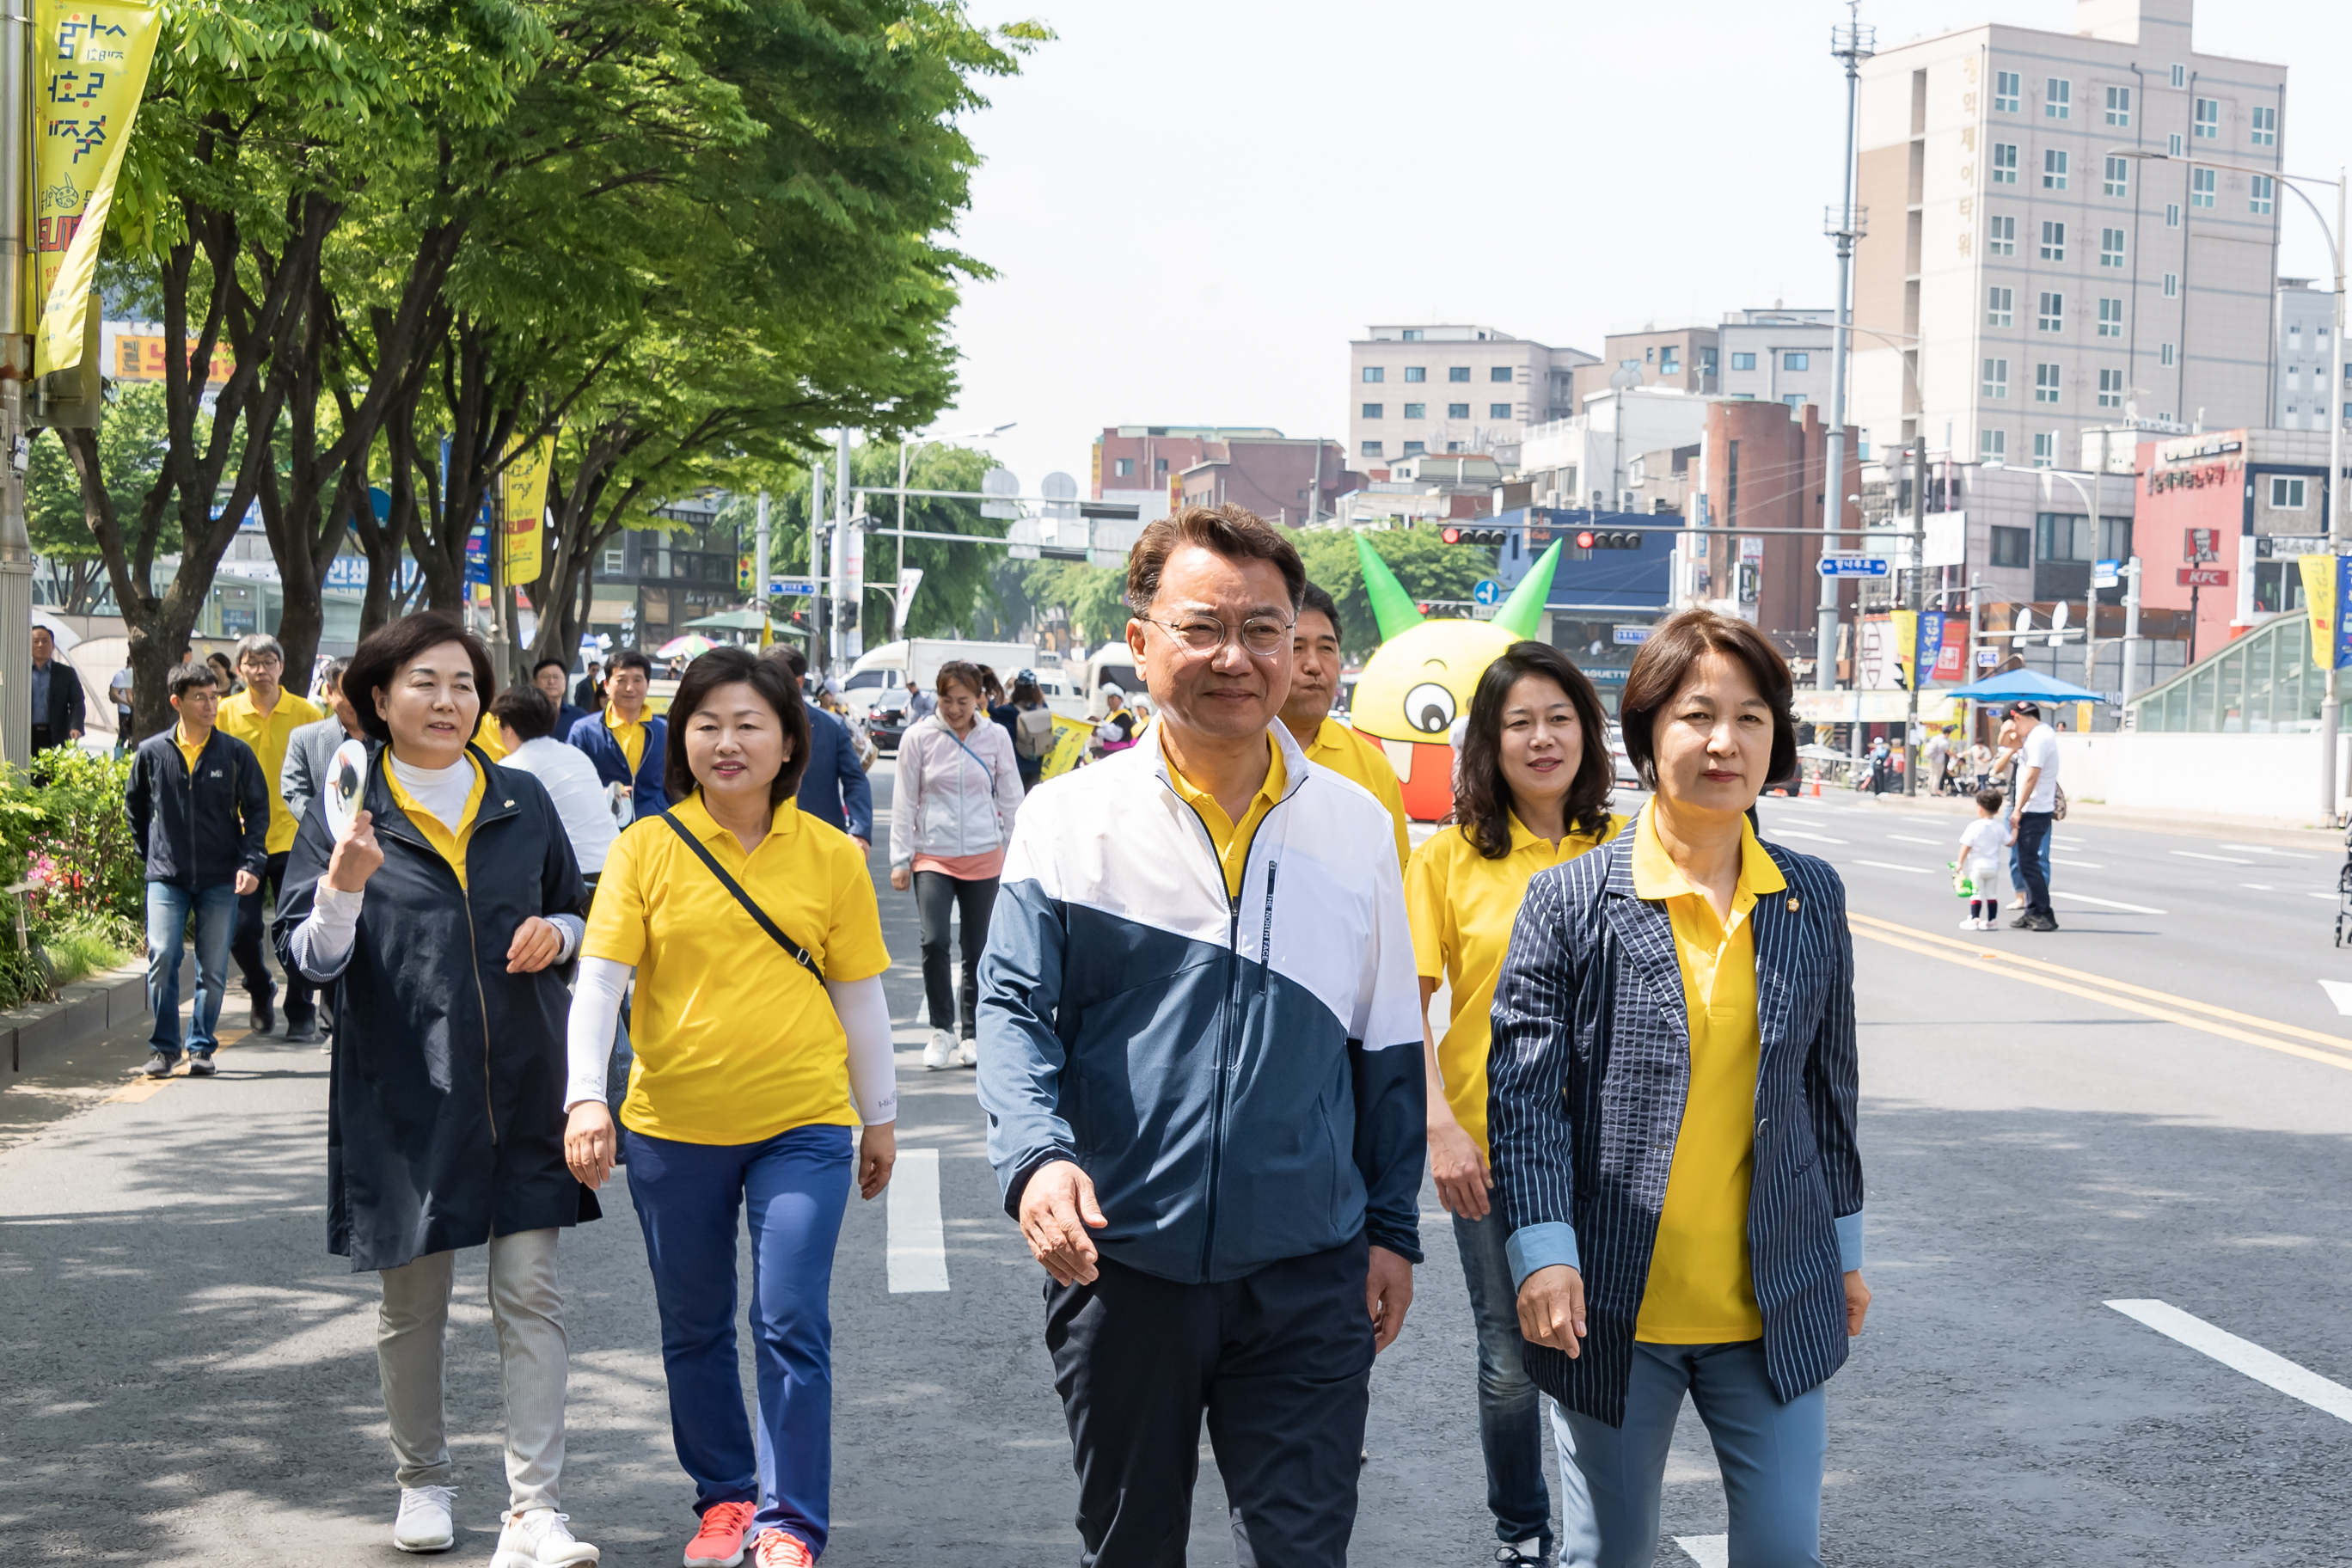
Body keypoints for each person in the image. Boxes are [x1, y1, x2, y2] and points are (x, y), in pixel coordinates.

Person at [977, 504, 1424, 1567]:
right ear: (1141, 644)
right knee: (1132, 1549)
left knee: (1303, 1550)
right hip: (1120, 1261)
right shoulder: (1069, 817)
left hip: (1309, 1269)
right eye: (1203, 628)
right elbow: (1011, 1008)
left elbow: (1389, 1038)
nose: (1238, 657)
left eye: (1265, 630)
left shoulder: (1355, 824)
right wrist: (1036, 1159)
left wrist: (1392, 1226)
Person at [1491, 608, 1868, 1568]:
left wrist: (1846, 1252)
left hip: (1773, 1299)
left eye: (1751, 718)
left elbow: (1830, 1097)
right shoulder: (1571, 901)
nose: (1724, 741)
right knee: (1607, 1558)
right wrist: (1541, 1254)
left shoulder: (1808, 896)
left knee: (1785, 1554)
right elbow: (1526, 1104)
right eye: (1698, 715)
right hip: (1613, 1309)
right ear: (1647, 732)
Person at [559, 646, 897, 1568]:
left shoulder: (831, 856)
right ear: (684, 741)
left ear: (792, 741)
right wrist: (586, 1098)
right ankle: (725, 1501)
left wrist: (881, 1115)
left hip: (803, 1122)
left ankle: (792, 1524)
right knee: (694, 1326)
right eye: (707, 725)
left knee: (789, 1318)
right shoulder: (646, 848)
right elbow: (599, 988)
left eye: (750, 723)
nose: (727, 742)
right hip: (673, 1127)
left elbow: (860, 995)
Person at [275, 612, 598, 1568]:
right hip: (404, 1093)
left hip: (524, 1081)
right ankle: (423, 1480)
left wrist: (560, 935)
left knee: (531, 1293)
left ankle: (534, 1509)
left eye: (463, 683)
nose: (448, 700)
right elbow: (310, 959)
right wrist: (342, 884)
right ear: (380, 700)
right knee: (412, 1305)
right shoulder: (347, 810)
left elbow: (575, 907)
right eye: (425, 682)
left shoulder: (520, 799)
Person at [1405, 640, 1620, 1568]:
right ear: (1487, 745)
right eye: (1518, 724)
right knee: (1510, 1359)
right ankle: (1522, 1530)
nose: (1541, 740)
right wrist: (1437, 1127)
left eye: (1558, 719)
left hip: (1616, 1147)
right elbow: (1399, 1008)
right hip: (1489, 1147)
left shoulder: (1631, 848)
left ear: (1588, 733)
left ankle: (1607, 1530)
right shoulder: (1448, 861)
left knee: (1608, 1350)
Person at [124, 662, 266, 1079]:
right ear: (177, 702)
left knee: (213, 967)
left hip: (221, 876)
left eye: (214, 696)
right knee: (164, 956)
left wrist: (251, 862)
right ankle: (165, 1048)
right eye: (200, 697)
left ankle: (201, 1047)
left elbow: (257, 811)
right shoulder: (152, 752)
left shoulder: (235, 753)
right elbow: (135, 807)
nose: (211, 705)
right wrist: (150, 853)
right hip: (166, 877)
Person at [891, 658, 1023, 1070]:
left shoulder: (996, 737)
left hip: (985, 856)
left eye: (962, 701)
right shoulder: (919, 738)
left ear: (979, 698)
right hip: (933, 855)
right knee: (933, 942)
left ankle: (972, 1034)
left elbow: (1011, 797)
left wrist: (1019, 854)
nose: (953, 709)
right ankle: (941, 1030)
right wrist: (901, 857)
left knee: (978, 948)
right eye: (946, 700)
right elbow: (904, 800)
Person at [217, 634, 326, 1042]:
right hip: (242, 840)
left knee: (299, 926)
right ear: (239, 669)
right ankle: (260, 986)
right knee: (241, 929)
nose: (260, 670)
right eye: (251, 662)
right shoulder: (224, 713)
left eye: (268, 662)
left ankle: (301, 1010)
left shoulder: (306, 713)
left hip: (297, 837)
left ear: (282, 667)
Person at [1280, 580, 1410, 868]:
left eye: (1327, 648)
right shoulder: (1235, 752)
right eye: (1296, 647)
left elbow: (1395, 883)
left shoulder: (1373, 768)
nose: (1313, 664)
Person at [493, 687, 620, 881]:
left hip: (572, 877)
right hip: (614, 866)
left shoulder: (510, 768)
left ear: (508, 727)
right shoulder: (577, 755)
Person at [763, 646, 873, 850]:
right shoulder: (749, 726)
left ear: (798, 682)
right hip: (762, 842)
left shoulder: (831, 726)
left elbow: (855, 780)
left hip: (821, 842)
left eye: (772, 680)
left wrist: (860, 832)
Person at [568, 649, 667, 821]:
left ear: (647, 685)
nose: (630, 688)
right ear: (606, 685)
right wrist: (602, 794)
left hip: (655, 826)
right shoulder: (585, 731)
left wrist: (664, 807)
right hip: (603, 825)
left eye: (638, 680)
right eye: (621, 680)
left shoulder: (665, 731)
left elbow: (679, 781)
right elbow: (571, 780)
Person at [282, 658, 363, 831]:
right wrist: (330, 825)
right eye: (349, 693)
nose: (357, 702)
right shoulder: (304, 738)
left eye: (362, 692)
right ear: (330, 691)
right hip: (323, 848)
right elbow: (294, 794)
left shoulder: (391, 739)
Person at [2007, 700, 2061, 932]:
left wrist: (2018, 809)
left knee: (2029, 863)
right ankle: (2032, 911)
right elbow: (2005, 743)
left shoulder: (2040, 739)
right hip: (2034, 806)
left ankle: (2043, 912)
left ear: (2018, 717)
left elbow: (2032, 777)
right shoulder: (2038, 735)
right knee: (2025, 862)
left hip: (2034, 808)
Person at [992, 670, 1054, 793]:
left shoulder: (1009, 711)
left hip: (1017, 765)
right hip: (1037, 762)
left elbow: (989, 708)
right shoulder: (1042, 707)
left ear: (1017, 689)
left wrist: (1001, 691)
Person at [1956, 788, 2009, 931]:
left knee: (1976, 893)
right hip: (1993, 868)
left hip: (1977, 867)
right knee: (1992, 894)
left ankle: (1974, 919)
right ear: (1997, 810)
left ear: (1979, 808)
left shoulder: (1974, 826)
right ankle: (1992, 921)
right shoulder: (1999, 827)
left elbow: (1966, 846)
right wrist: (2015, 829)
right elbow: (2010, 842)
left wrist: (1959, 862)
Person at [30, 623, 85, 754]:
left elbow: (77, 702)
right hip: (27, 734)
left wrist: (75, 726)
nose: (40, 645)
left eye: (45, 641)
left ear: (53, 646)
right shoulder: (20, 673)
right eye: (35, 641)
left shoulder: (66, 673)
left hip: (56, 734)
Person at [535, 658, 591, 742]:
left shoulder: (580, 717)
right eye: (545, 677)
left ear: (565, 681)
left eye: (556, 677)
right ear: (534, 683)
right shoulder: (525, 716)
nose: (551, 681)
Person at [1092, 683, 1139, 756]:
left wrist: (1098, 731)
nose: (1109, 700)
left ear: (1120, 699)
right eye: (1108, 697)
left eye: (1112, 698)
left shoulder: (1124, 715)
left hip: (1119, 752)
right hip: (1107, 751)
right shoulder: (1109, 715)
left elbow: (1115, 735)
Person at [110, 656, 134, 756]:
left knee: (132, 737)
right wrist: (126, 702)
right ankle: (119, 758)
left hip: (134, 711)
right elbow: (114, 694)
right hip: (125, 711)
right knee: (124, 736)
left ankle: (128, 757)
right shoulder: (121, 676)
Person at [1923, 726, 1951, 795]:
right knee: (1937, 776)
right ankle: (1934, 791)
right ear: (1947, 734)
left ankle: (1929, 791)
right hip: (1939, 761)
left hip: (1932, 759)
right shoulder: (1944, 741)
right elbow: (1947, 751)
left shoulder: (1935, 738)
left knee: (1931, 775)